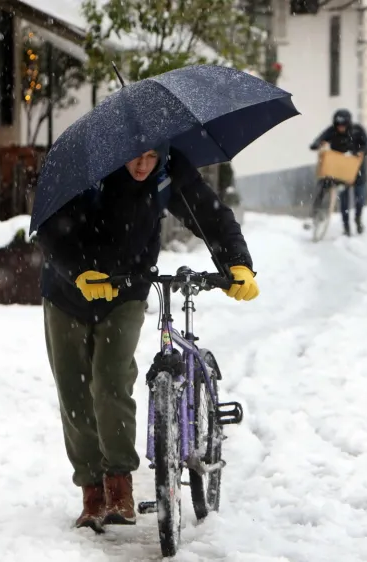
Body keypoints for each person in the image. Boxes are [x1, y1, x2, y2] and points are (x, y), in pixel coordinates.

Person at [35, 143, 260, 532]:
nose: (143, 164)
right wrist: (80, 271)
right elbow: (52, 228)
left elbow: (210, 215)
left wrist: (237, 263)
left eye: (152, 155)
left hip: (128, 290)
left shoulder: (168, 171)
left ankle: (118, 484)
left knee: (111, 381)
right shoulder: (87, 166)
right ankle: (92, 492)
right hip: (67, 293)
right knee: (74, 393)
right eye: (136, 155)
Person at [308, 109, 367, 236]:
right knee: (344, 200)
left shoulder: (357, 130)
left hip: (358, 170)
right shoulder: (332, 131)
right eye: (338, 125)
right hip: (340, 171)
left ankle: (358, 218)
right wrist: (317, 144)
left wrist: (360, 151)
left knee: (359, 199)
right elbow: (320, 138)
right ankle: (346, 226)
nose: (340, 128)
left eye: (343, 126)